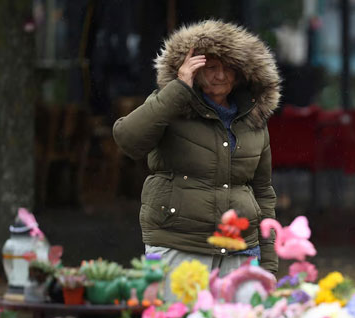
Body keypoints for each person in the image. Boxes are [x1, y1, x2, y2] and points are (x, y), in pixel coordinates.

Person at [113, 20, 281, 298]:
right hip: (179, 243)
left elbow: (263, 191)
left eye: (228, 68)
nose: (220, 76)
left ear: (241, 74)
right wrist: (178, 88)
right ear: (193, 69)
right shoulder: (171, 105)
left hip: (241, 249)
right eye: (210, 67)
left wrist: (269, 262)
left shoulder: (253, 120)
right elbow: (128, 140)